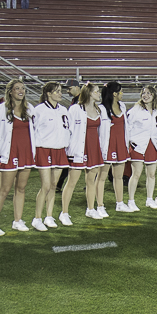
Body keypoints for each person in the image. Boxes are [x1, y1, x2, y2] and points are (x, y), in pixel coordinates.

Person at [0, 79, 36, 234]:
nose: (21, 91)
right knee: (4, 189)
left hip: (26, 153)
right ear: (10, 91)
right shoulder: (0, 109)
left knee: (21, 188)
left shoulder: (30, 109)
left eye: (23, 88)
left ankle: (17, 220)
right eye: (17, 88)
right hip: (9, 153)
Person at [64, 83, 108, 220]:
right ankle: (64, 213)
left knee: (91, 180)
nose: (99, 94)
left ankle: (90, 208)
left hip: (94, 148)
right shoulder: (75, 109)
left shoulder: (99, 110)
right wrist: (69, 150)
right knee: (72, 181)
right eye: (96, 91)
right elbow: (68, 131)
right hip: (79, 149)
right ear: (89, 93)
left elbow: (102, 132)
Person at [31, 82, 71, 231]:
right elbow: (33, 131)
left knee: (54, 185)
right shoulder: (39, 110)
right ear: (48, 94)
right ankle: (37, 218)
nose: (60, 94)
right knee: (46, 186)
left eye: (60, 91)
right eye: (57, 91)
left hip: (60, 149)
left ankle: (49, 216)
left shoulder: (63, 110)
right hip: (44, 149)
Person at [97, 81, 132, 212]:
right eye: (121, 91)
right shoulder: (101, 109)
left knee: (118, 176)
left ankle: (120, 203)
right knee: (102, 177)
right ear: (114, 94)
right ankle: (100, 205)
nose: (122, 94)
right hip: (107, 146)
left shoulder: (122, 106)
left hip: (121, 144)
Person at [127, 86, 157, 209]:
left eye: (148, 93)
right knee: (136, 174)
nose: (145, 95)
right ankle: (131, 201)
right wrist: (130, 143)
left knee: (151, 175)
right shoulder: (136, 110)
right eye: (143, 93)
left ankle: (149, 199)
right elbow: (128, 127)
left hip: (151, 145)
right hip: (138, 145)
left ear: (153, 96)